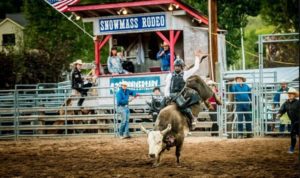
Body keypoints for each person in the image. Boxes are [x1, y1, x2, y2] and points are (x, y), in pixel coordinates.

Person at [164, 50, 221, 130]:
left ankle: (192, 119)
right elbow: (167, 86)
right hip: (171, 95)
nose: (177, 67)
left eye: (178, 66)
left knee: (183, 106)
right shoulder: (170, 75)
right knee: (160, 105)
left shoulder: (185, 74)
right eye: (176, 66)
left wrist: (197, 58)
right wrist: (167, 95)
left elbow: (196, 68)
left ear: (181, 67)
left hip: (180, 95)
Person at [276, 88, 300, 154]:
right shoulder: (286, 103)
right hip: (293, 122)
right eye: (289, 94)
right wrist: (279, 114)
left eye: (291, 94)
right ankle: (292, 147)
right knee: (292, 135)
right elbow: (282, 110)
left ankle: (292, 148)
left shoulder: (298, 102)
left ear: (294, 95)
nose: (290, 95)